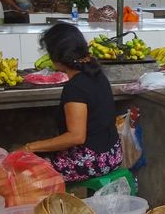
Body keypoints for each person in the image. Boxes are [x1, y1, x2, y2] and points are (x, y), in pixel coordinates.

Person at [23, 23, 122, 183]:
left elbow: (76, 137)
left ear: (56, 56)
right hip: (113, 153)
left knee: (25, 171)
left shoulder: (75, 88)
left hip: (94, 161)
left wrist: (30, 147)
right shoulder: (97, 74)